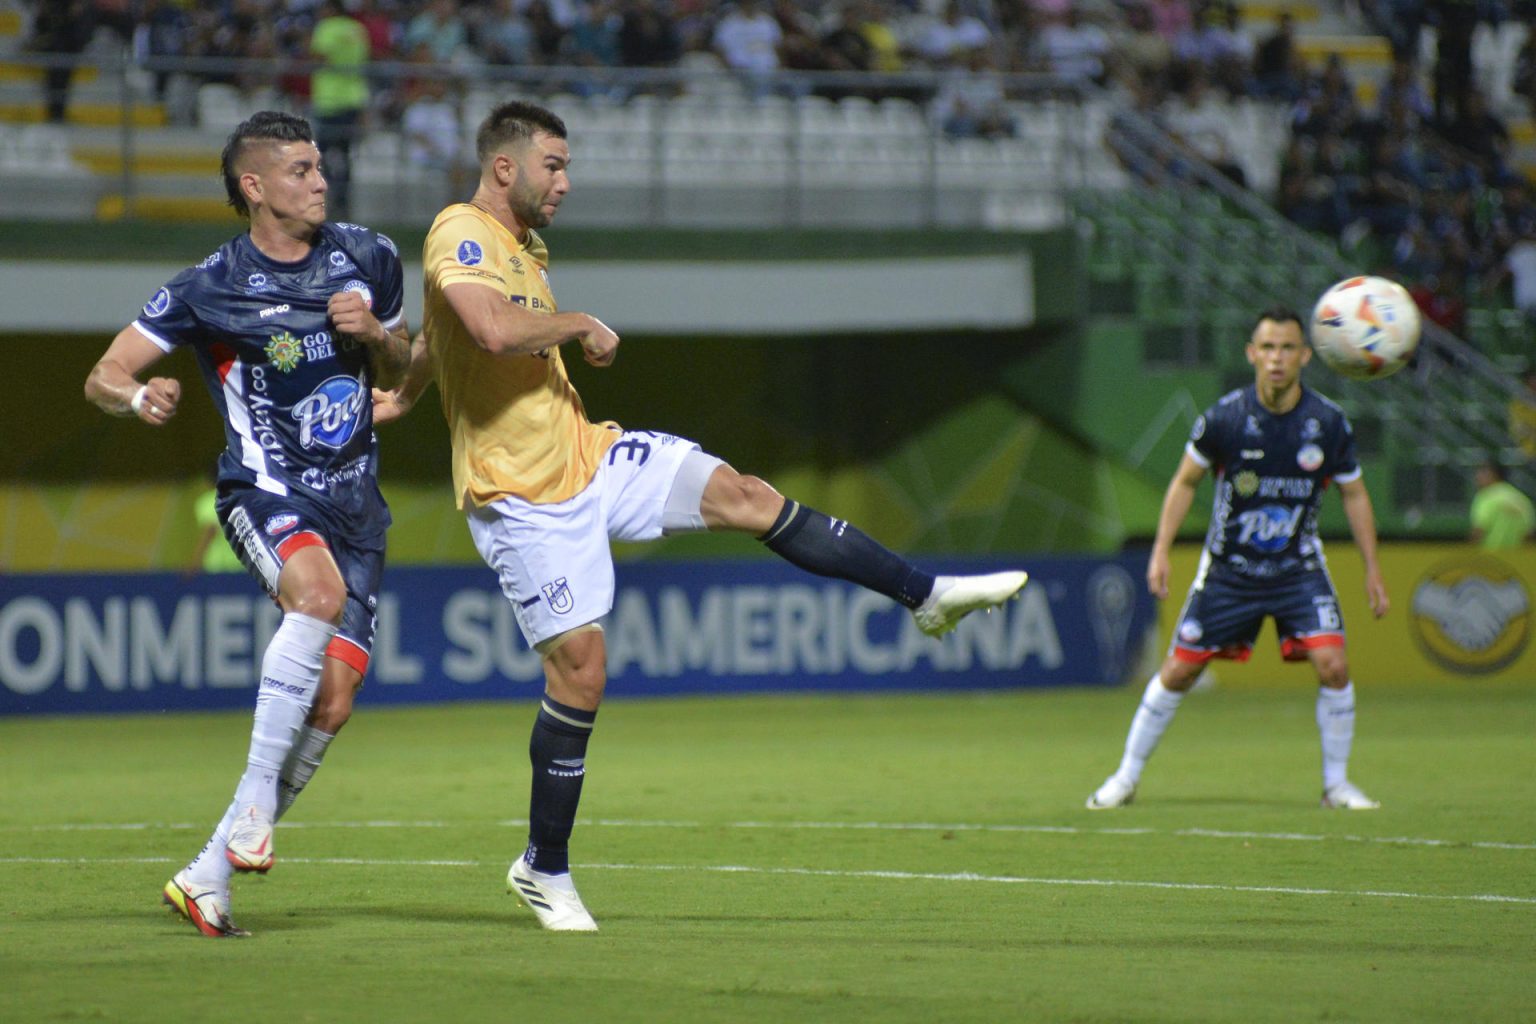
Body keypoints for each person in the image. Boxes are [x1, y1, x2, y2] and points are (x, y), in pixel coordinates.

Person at [374, 100, 1029, 932]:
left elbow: (441, 335)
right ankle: (543, 868)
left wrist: (402, 393)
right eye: (553, 166)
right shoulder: (458, 229)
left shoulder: (522, 246)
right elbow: (489, 330)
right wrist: (579, 323)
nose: (565, 182)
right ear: (505, 167)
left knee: (747, 495)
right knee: (581, 673)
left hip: (588, 453)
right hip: (521, 497)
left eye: (567, 166)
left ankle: (924, 595)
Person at [84, 111, 410, 938]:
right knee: (317, 595)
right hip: (265, 494)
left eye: (320, 166)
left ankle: (209, 873)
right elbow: (106, 372)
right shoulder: (209, 284)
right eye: (300, 170)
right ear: (254, 187)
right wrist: (135, 396)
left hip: (357, 508)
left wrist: (380, 341)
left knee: (332, 704)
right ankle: (257, 805)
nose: (320, 180)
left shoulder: (369, 256)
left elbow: (412, 359)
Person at [1086, 307, 1390, 812]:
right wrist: (1161, 549)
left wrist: (1372, 567)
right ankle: (1125, 777)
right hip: (1230, 572)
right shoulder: (1224, 419)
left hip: (1298, 568)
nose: (1276, 358)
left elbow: (1355, 494)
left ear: (1305, 356)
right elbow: (1184, 481)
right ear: (1252, 354)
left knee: (1333, 665)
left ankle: (1336, 785)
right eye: (1267, 348)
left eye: (1287, 348)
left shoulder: (1328, 423)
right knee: (1179, 672)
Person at [309, 0, 371, 220]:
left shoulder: (326, 28)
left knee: (321, 155)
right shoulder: (357, 30)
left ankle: (327, 199)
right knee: (344, 156)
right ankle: (343, 202)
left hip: (329, 99)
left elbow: (318, 57)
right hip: (353, 98)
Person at [1469, 459, 1535, 550]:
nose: (1477, 476)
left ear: (1493, 474)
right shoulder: (1521, 498)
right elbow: (1529, 533)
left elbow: (1479, 531)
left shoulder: (1486, 496)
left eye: (1482, 472)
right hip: (1517, 560)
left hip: (1491, 558)